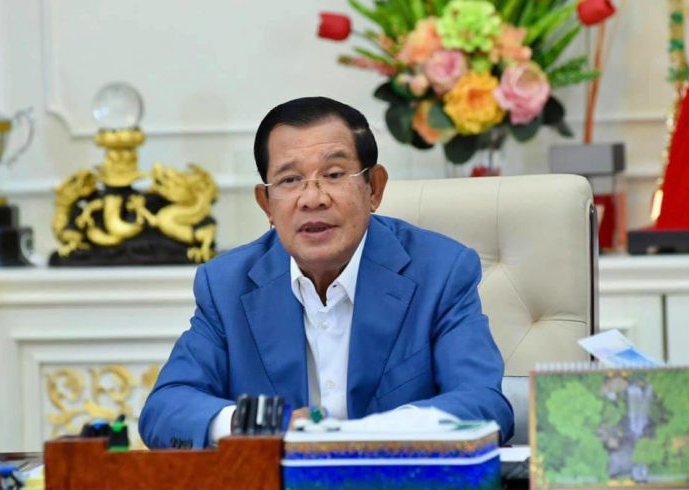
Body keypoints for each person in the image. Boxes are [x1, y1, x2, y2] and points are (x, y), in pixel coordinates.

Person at [139, 96, 514, 449]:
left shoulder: (441, 272)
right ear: (266, 204)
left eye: (334, 174)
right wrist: (263, 423)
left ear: (374, 188)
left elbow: (482, 403)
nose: (312, 198)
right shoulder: (226, 285)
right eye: (289, 180)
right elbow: (166, 408)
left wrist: (364, 436)